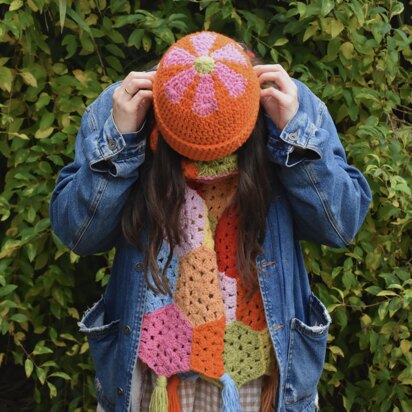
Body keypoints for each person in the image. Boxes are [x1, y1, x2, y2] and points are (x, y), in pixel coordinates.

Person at [49, 31, 371, 412]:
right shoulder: (125, 106)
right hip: (153, 373)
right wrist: (121, 141)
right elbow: (78, 234)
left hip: (262, 376)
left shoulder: (287, 102)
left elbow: (341, 225)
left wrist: (293, 138)